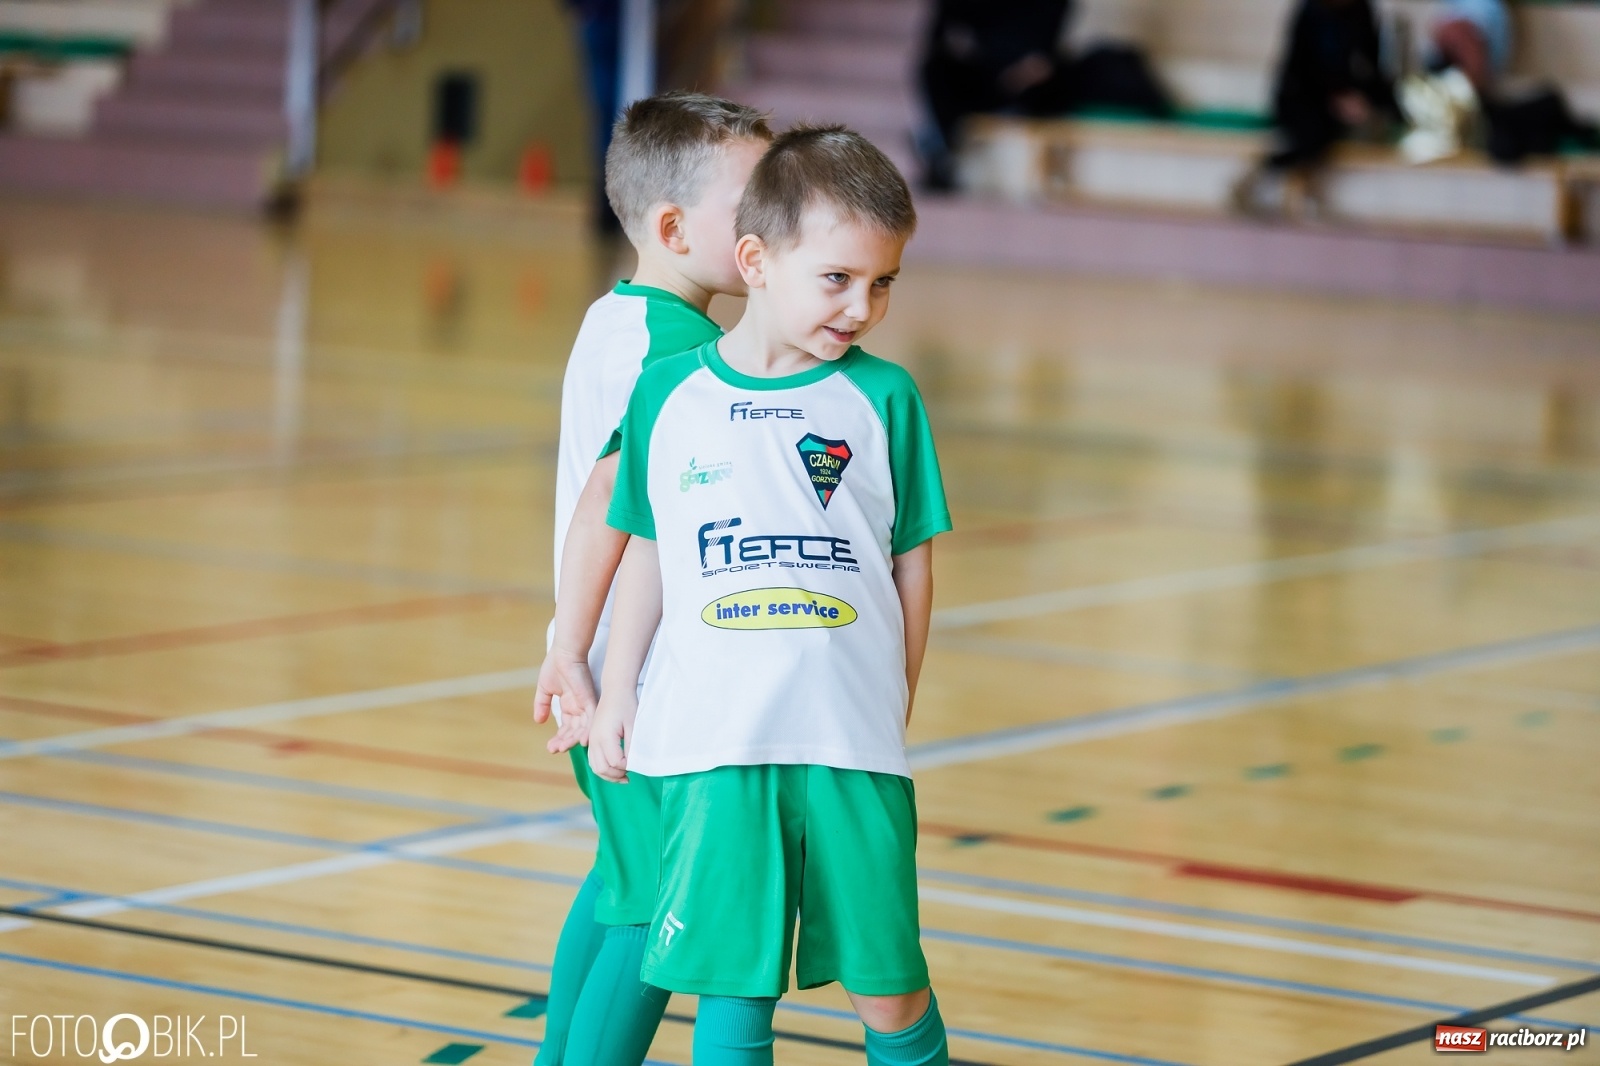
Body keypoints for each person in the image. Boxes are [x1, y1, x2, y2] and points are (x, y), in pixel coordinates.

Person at [589, 125, 953, 1066]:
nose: (863, 306)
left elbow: (912, 563)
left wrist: (896, 692)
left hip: (847, 741)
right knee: (736, 985)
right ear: (755, 260)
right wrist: (619, 690)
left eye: (883, 283)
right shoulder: (667, 393)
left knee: (891, 987)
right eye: (837, 279)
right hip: (715, 747)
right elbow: (650, 550)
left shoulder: (885, 400)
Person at [529, 90, 771, 1066]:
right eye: (757, 204)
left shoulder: (614, 319)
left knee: (619, 880)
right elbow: (621, 519)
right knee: (655, 905)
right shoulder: (679, 354)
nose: (775, 225)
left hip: (603, 667)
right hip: (643, 688)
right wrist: (586, 661)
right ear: (671, 228)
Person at [1233, 0, 1397, 214]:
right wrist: (1338, 98)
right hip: (1300, 95)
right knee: (1314, 133)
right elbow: (1298, 69)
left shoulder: (1362, 10)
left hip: (1338, 97)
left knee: (1349, 127)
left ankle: (1300, 186)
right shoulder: (1309, 10)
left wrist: (1367, 100)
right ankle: (1283, 180)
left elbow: (1371, 65)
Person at [918, 0, 1075, 190]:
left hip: (1026, 80)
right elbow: (946, 35)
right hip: (977, 72)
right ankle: (943, 151)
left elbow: (1044, 56)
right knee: (936, 70)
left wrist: (1021, 74)